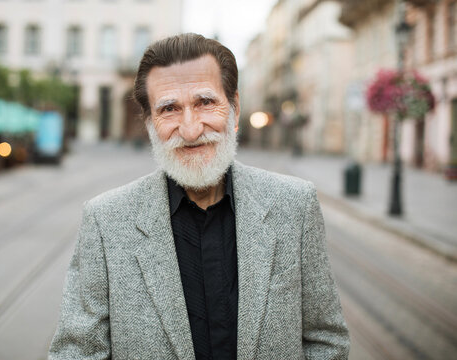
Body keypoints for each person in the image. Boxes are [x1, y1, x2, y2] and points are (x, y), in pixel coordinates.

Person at [49, 33, 349, 360]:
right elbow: (76, 353)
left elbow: (324, 339)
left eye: (205, 102)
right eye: (169, 109)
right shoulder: (105, 221)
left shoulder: (295, 205)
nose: (191, 130)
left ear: (234, 107)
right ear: (150, 122)